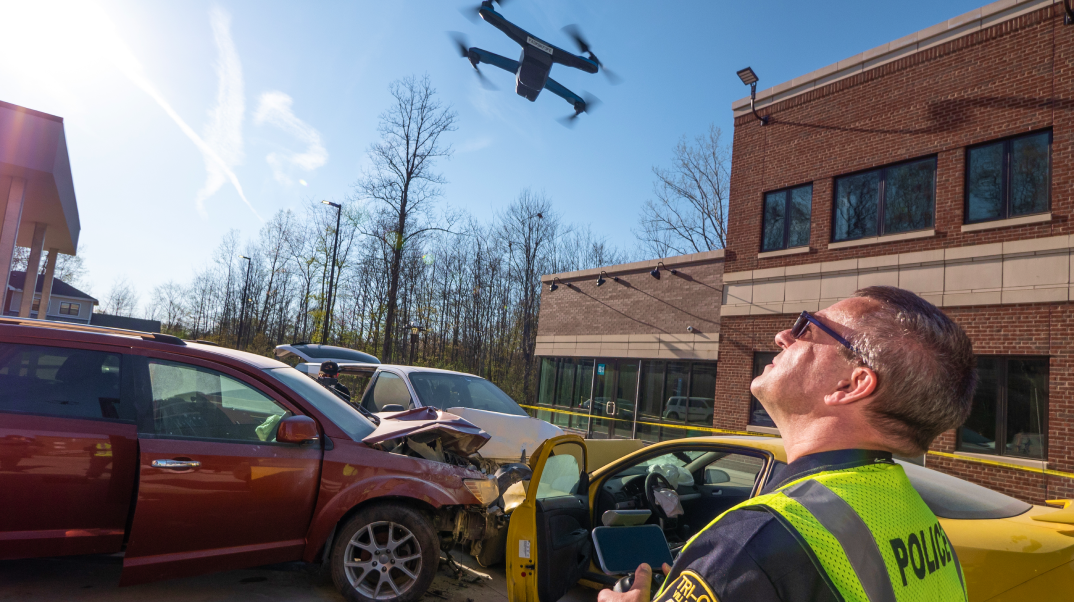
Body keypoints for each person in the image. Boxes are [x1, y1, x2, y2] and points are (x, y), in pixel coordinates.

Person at [599, 286, 975, 602]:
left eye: (808, 328)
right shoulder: (924, 525)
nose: (784, 337)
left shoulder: (753, 543)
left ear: (851, 385)